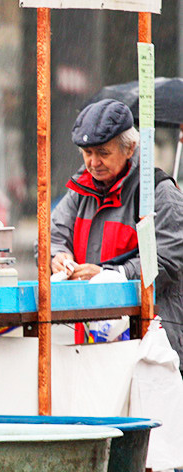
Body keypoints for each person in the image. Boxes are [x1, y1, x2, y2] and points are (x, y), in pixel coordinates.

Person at [51, 98, 183, 374]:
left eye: (103, 152)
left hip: (152, 341)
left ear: (130, 148)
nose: (93, 162)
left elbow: (168, 262)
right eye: (87, 152)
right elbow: (54, 235)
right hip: (94, 339)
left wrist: (112, 273)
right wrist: (58, 256)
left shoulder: (159, 192)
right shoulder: (80, 189)